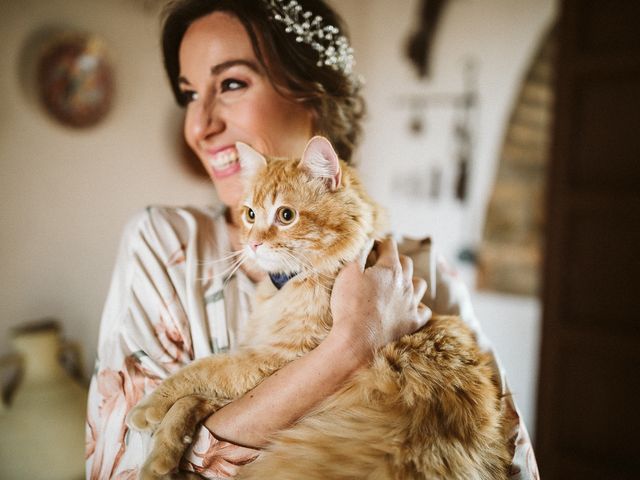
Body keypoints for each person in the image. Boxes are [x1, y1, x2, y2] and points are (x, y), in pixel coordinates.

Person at [85, 1, 538, 479]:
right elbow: (120, 469)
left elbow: (514, 465)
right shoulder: (164, 242)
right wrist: (349, 346)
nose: (199, 126)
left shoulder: (420, 265)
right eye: (189, 94)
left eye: (232, 84)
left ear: (313, 96)